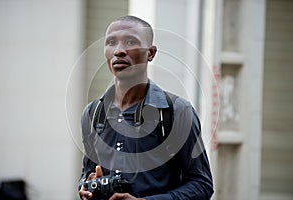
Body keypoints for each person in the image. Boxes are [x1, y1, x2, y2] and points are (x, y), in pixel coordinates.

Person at [78, 15, 214, 200]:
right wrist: (86, 186)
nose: (119, 50)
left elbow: (202, 185)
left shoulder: (177, 112)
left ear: (151, 53)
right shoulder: (93, 113)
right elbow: (86, 175)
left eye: (130, 41)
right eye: (111, 42)